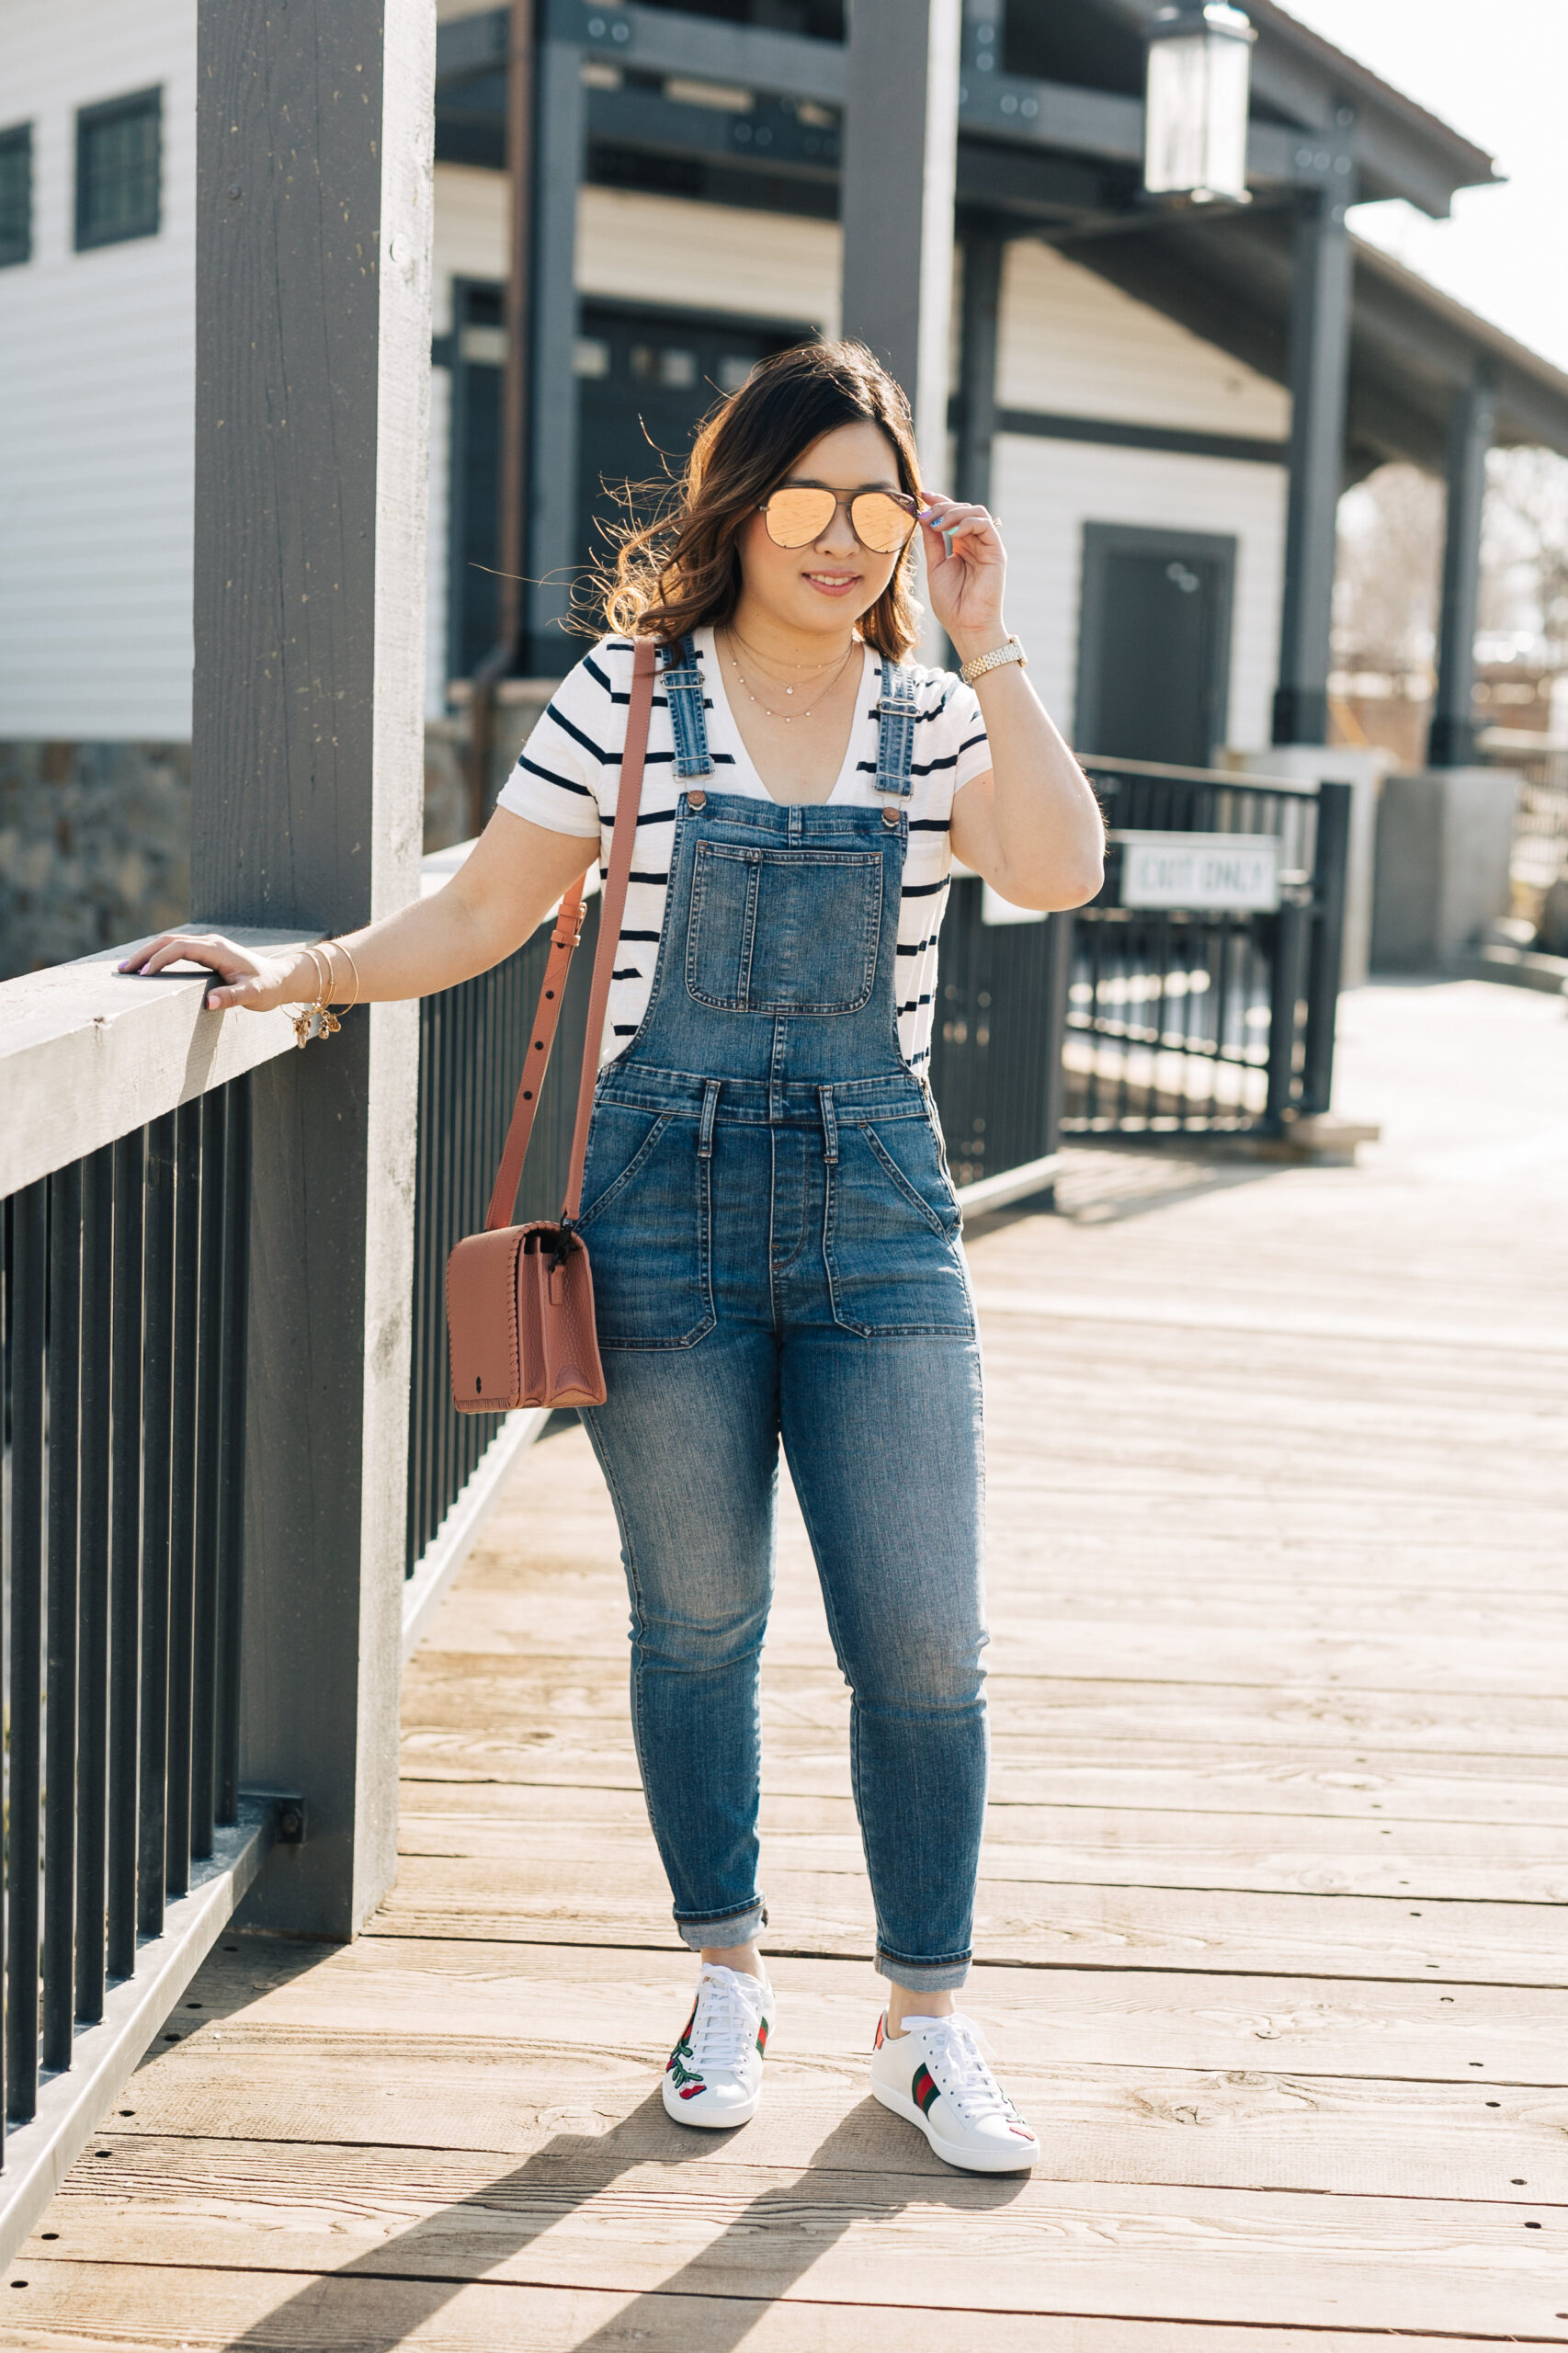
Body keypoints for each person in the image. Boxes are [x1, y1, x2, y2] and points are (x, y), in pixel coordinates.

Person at [131, 340, 1104, 2175]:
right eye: (806, 498)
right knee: (701, 1618)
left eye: (876, 504)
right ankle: (723, 1973)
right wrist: (302, 973)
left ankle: (923, 2018)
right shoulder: (633, 691)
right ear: (742, 508)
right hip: (660, 1214)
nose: (839, 537)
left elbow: (1054, 866)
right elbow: (490, 904)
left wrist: (992, 639)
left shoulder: (932, 709)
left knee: (923, 1641)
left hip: (877, 1219)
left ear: (916, 524)